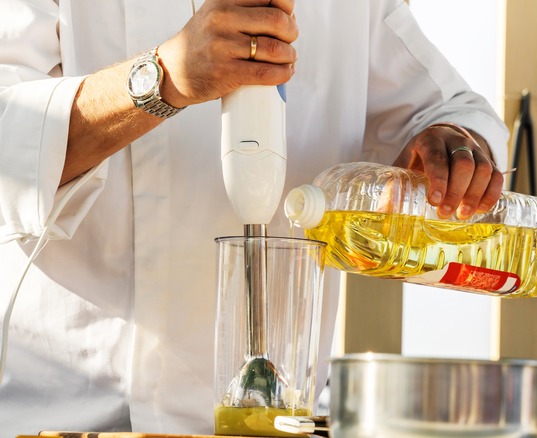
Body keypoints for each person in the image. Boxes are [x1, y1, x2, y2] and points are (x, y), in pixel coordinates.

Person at [0, 0, 509, 434]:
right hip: (62, 414)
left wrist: (453, 144)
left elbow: (451, 109)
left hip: (276, 420)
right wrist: (162, 78)